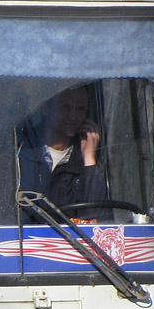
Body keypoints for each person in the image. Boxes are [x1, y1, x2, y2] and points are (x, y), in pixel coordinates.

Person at [17, 85, 109, 215]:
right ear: (46, 108)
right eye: (66, 107)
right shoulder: (20, 151)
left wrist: (89, 160)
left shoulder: (88, 158)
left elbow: (98, 222)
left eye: (80, 109)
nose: (73, 116)